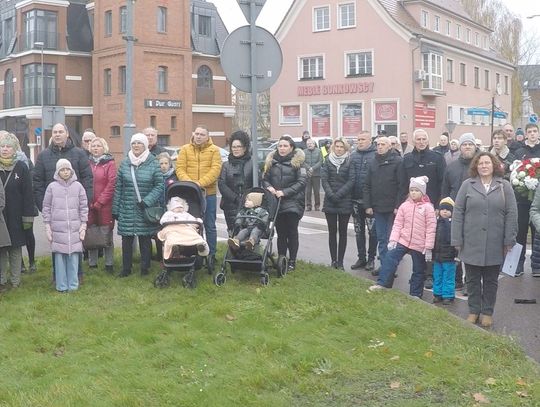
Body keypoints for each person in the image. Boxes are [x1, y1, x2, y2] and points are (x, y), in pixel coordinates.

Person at [451, 152, 518, 328]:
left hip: (495, 242)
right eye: (480, 163)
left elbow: (512, 213)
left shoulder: (504, 186)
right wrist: (457, 238)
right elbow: (458, 213)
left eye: (487, 163)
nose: (484, 166)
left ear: (494, 165)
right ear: (476, 166)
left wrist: (509, 239)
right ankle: (473, 310)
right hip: (471, 241)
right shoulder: (468, 185)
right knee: (472, 279)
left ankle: (487, 311)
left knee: (490, 280)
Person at [368, 176, 436, 298]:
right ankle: (383, 283)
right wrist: (393, 239)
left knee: (418, 269)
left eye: (417, 190)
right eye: (412, 190)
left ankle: (415, 293)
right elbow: (398, 224)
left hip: (419, 243)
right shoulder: (404, 206)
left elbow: (431, 228)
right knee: (390, 258)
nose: (413, 193)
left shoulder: (428, 208)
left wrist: (428, 246)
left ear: (422, 192)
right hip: (403, 240)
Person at [112, 133, 164, 277]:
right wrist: (115, 209)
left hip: (144, 208)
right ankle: (126, 269)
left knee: (145, 238)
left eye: (139, 143)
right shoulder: (125, 163)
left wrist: (147, 201)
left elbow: (159, 185)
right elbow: (118, 187)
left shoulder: (153, 162)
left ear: (145, 145)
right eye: (133, 143)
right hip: (127, 207)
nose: (136, 146)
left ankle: (144, 268)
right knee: (126, 239)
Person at [176, 125, 222, 269]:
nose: (199, 136)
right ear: (193, 134)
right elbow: (180, 168)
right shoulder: (185, 149)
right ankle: (192, 252)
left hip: (208, 194)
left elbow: (215, 170)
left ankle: (211, 254)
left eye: (202, 134)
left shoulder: (214, 150)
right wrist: (191, 185)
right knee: (190, 225)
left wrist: (199, 184)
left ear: (207, 137)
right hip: (190, 194)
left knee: (209, 225)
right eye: (197, 133)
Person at [42, 159, 88, 292]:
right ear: (58, 172)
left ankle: (73, 286)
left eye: (67, 169)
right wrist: (47, 226)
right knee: (60, 260)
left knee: (74, 258)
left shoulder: (78, 186)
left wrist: (83, 225)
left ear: (71, 170)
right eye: (62, 170)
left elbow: (84, 207)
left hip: (75, 229)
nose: (65, 172)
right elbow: (46, 207)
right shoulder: (52, 187)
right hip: (57, 229)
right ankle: (61, 286)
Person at [440, 132, 477, 293]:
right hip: (455, 212)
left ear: (474, 146)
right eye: (464, 144)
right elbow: (445, 190)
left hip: (475, 212)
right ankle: (457, 279)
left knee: (471, 248)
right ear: (460, 147)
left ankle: (470, 281)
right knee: (455, 246)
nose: (467, 147)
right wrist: (444, 209)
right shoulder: (452, 167)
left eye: (470, 144)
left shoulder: (480, 165)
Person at [262, 135, 306, 270]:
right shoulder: (271, 162)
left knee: (292, 231)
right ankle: (282, 259)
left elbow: (302, 182)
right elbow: (264, 178)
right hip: (276, 202)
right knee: (281, 232)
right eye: (280, 146)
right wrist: (269, 187)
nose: (282, 148)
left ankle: (292, 260)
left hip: (293, 202)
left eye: (285, 146)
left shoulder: (298, 163)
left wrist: (285, 192)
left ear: (291, 147)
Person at [33, 122, 93, 212]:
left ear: (67, 134)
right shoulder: (43, 156)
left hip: (75, 208)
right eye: (55, 132)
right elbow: (38, 182)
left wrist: (85, 203)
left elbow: (87, 179)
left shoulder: (80, 154)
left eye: (60, 132)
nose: (57, 135)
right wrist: (43, 206)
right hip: (53, 209)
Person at [363, 136, 402, 275]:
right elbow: (366, 185)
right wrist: (368, 205)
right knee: (381, 238)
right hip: (377, 207)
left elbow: (401, 186)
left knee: (391, 238)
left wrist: (398, 205)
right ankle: (385, 265)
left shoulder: (397, 161)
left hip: (393, 208)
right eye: (378, 144)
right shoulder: (373, 162)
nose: (380, 146)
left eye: (383, 144)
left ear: (389, 146)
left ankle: (390, 267)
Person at [0, 132, 34, 290]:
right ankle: (1, 280)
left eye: (8, 147)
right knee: (1, 249)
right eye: (2, 146)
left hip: (16, 215)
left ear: (14, 149)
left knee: (15, 248)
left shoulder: (21, 167)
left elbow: (28, 193)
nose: (5, 149)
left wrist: (27, 217)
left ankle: (15, 281)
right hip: (1, 216)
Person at [321, 137, 353, 270]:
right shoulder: (327, 161)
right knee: (332, 232)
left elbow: (352, 180)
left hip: (344, 201)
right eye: (337, 147)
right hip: (330, 201)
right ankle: (333, 260)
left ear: (345, 149)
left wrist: (339, 194)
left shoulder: (349, 161)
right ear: (333, 147)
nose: (339, 149)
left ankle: (340, 262)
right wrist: (331, 194)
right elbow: (324, 180)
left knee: (343, 232)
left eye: (342, 147)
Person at [513, 123, 540, 276]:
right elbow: (514, 173)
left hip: (539, 200)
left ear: (538, 133)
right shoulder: (519, 152)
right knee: (520, 232)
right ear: (525, 134)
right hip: (522, 199)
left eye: (534, 131)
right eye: (529, 132)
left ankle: (537, 265)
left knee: (538, 232)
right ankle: (518, 264)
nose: (532, 134)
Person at [87, 137, 117, 273]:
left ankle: (109, 264)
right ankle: (92, 264)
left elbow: (111, 184)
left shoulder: (110, 163)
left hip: (105, 206)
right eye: (93, 146)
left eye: (98, 146)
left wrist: (100, 202)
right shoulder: (87, 163)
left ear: (103, 148)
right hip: (89, 204)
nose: (95, 148)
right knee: (91, 232)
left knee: (106, 233)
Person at [350, 131, 377, 271]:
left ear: (370, 140)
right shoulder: (352, 156)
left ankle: (371, 258)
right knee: (358, 230)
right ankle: (361, 257)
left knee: (373, 232)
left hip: (370, 202)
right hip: (354, 200)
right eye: (358, 139)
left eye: (363, 139)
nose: (360, 142)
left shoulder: (375, 155)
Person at [399, 129, 446, 207]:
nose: (421, 142)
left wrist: (439, 205)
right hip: (411, 204)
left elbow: (443, 183)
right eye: (418, 139)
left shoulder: (437, 158)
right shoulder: (407, 159)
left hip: (432, 202)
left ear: (427, 141)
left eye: (424, 139)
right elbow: (402, 184)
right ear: (413, 142)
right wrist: (400, 203)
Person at [218, 130, 253, 232]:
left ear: (245, 148)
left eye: (239, 147)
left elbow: (256, 183)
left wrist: (246, 198)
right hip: (230, 205)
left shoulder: (252, 164)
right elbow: (222, 184)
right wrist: (236, 198)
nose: (236, 149)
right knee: (233, 232)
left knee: (247, 232)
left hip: (248, 204)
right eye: (234, 147)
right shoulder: (226, 165)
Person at [432, 197, 458, 304]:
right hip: (437, 255)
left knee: (448, 275)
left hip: (449, 255)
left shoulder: (454, 224)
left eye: (448, 209)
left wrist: (456, 254)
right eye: (443, 209)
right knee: (437, 275)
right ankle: (437, 294)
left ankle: (448, 294)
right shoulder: (436, 222)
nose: (445, 211)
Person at [303, 138, 323, 211]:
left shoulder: (319, 151)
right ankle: (308, 206)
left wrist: (313, 168)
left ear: (314, 144)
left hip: (316, 174)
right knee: (308, 191)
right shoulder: (304, 152)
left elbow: (321, 161)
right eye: (308, 144)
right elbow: (302, 162)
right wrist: (309, 168)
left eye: (310, 144)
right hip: (307, 174)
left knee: (316, 191)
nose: (309, 145)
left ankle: (317, 206)